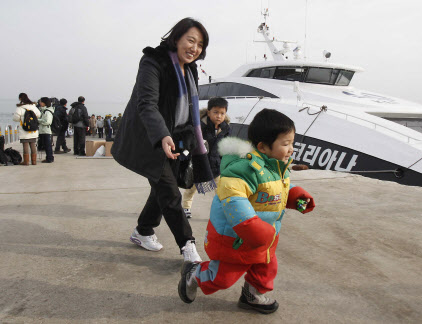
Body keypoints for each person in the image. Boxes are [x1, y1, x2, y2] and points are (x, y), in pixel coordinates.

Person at [178, 109, 316, 314]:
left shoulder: (278, 166)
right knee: (222, 278)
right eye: (285, 144)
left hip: (265, 236)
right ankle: (194, 273)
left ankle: (252, 296)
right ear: (262, 146)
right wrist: (251, 227)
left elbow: (278, 188)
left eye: (292, 143)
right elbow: (234, 200)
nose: (291, 149)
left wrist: (296, 197)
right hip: (237, 238)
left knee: (265, 269)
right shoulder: (241, 170)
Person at [112, 17, 214, 264]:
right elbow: (146, 103)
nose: (194, 48)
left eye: (200, 44)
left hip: (177, 139)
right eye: (190, 40)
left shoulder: (189, 69)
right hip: (150, 137)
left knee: (163, 188)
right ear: (176, 38)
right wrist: (162, 134)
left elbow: (190, 109)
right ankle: (188, 247)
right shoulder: (153, 61)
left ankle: (143, 230)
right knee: (169, 192)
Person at [182, 97, 231, 218]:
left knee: (220, 190)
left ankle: (220, 210)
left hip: (216, 165)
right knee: (191, 188)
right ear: (208, 112)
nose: (219, 116)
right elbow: (191, 141)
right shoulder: (200, 127)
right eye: (215, 112)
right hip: (200, 163)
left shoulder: (225, 128)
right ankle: (185, 208)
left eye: (222, 113)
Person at [13, 93, 41, 165]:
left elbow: (15, 118)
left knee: (25, 144)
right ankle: (34, 161)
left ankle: (26, 161)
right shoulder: (33, 106)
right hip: (33, 129)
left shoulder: (20, 108)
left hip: (24, 129)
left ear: (20, 99)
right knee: (32, 144)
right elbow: (39, 114)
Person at [38, 97, 55, 163]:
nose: (40, 103)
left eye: (41, 102)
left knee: (48, 145)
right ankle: (49, 157)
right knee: (46, 145)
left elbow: (48, 122)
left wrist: (39, 121)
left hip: (46, 131)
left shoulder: (47, 111)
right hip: (43, 130)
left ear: (44, 103)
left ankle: (49, 158)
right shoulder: (43, 111)